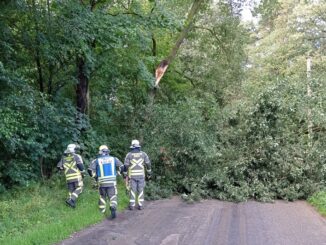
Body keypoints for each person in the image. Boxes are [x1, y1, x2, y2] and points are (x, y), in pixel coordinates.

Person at [88, 145, 123, 219]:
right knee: (113, 196)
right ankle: (113, 207)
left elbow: (90, 170)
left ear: (100, 152)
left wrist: (95, 177)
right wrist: (118, 173)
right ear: (107, 151)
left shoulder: (96, 160)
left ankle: (101, 211)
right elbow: (122, 166)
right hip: (112, 182)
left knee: (102, 196)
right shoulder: (114, 159)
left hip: (102, 182)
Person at [124, 139, 151, 210]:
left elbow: (126, 166)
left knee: (133, 190)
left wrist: (125, 174)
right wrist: (149, 172)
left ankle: (132, 205)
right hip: (141, 175)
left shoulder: (129, 155)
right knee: (141, 190)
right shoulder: (144, 154)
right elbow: (148, 164)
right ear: (138, 146)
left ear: (132, 146)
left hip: (132, 176)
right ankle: (140, 205)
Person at [57, 143, 85, 208]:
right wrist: (83, 173)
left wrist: (64, 170)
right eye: (75, 149)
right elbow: (80, 166)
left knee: (71, 190)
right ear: (73, 149)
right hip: (76, 176)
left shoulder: (63, 158)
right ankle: (72, 199)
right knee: (80, 188)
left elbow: (59, 167)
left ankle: (71, 205)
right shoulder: (76, 156)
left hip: (68, 177)